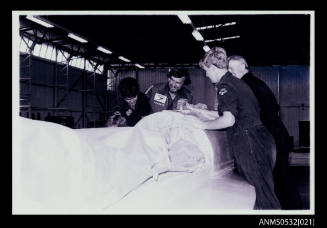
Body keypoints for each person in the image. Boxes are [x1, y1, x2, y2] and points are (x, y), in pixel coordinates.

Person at [188, 46, 281, 209]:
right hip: (260, 138)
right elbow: (238, 113)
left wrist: (201, 125)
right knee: (263, 192)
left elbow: (228, 120)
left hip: (249, 141)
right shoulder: (235, 82)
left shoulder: (225, 86)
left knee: (262, 197)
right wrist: (198, 111)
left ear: (212, 67)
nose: (206, 75)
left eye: (205, 71)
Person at [227, 55, 302, 209]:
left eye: (231, 68)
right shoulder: (254, 83)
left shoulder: (246, 86)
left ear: (243, 65)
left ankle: (289, 211)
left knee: (278, 179)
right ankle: (293, 208)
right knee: (281, 177)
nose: (230, 71)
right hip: (276, 134)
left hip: (270, 137)